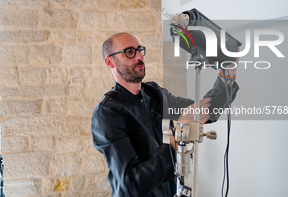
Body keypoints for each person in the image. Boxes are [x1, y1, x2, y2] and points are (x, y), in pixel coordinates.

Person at [91, 32, 239, 197]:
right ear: (109, 61)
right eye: (129, 52)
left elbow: (206, 111)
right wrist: (178, 135)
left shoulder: (155, 93)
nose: (139, 56)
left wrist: (229, 71)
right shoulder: (107, 113)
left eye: (140, 50)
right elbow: (130, 186)